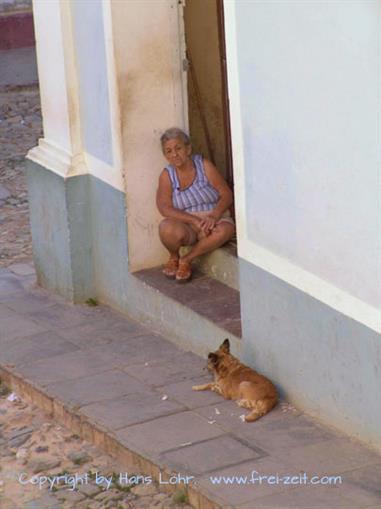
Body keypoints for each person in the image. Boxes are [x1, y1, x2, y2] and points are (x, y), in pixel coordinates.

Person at [156, 127, 235, 282]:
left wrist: (214, 215)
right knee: (166, 228)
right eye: (169, 151)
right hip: (188, 225)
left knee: (226, 230)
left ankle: (186, 260)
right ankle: (174, 257)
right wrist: (194, 221)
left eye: (178, 148)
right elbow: (164, 207)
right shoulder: (167, 175)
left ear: (188, 148)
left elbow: (226, 194)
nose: (174, 154)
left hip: (214, 219)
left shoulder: (204, 166)